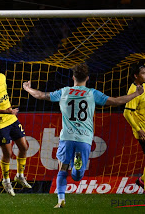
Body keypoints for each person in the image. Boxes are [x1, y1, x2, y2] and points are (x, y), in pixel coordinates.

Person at [23, 63, 144, 208]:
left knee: (62, 169)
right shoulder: (92, 93)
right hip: (84, 139)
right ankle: (76, 168)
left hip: (66, 138)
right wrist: (136, 94)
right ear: (87, 78)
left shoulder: (64, 91)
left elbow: (41, 95)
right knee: (77, 176)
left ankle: (61, 199)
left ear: (73, 77)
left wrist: (28, 88)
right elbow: (116, 101)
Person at [0, 58, 31, 196]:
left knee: (24, 147)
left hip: (11, 118)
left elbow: (3, 98)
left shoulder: (2, 78)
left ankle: (20, 175)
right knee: (8, 153)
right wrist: (6, 111)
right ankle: (6, 180)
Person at [123, 60, 145, 190]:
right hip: (142, 131)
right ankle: (142, 181)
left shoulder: (143, 86)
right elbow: (126, 113)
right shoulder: (134, 91)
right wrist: (138, 129)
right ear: (136, 76)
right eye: (143, 73)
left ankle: (142, 180)